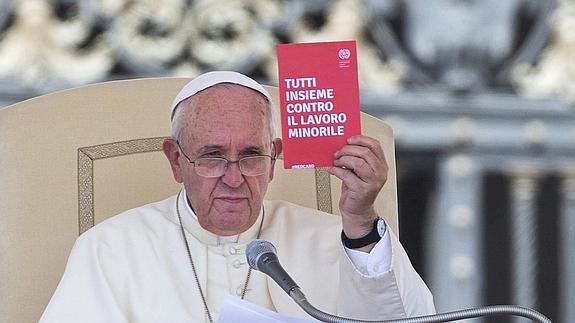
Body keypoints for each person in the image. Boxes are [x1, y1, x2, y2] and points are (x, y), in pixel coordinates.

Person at [40, 71, 435, 322]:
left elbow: (405, 320)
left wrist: (361, 222)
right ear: (176, 161)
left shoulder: (340, 239)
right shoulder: (110, 248)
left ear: (275, 159)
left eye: (250, 156)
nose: (233, 178)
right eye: (212, 156)